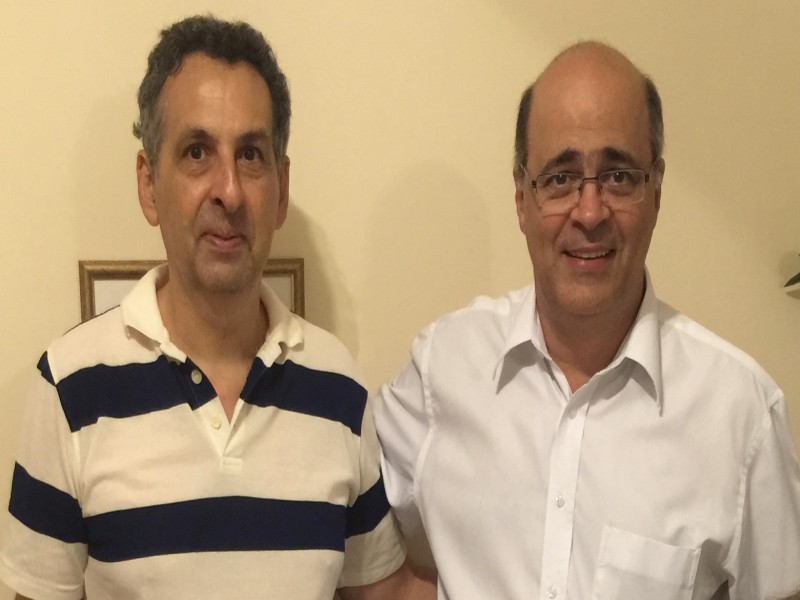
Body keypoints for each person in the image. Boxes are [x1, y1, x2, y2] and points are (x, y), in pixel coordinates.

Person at [0, 15, 434, 600]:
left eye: (251, 155)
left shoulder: (339, 389)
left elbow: (385, 592)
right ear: (149, 184)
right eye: (197, 152)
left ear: (280, 188)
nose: (228, 191)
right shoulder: (69, 388)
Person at [374, 41, 800, 600]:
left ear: (656, 190)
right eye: (560, 178)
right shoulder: (442, 370)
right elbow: (337, 486)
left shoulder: (739, 413)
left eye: (619, 176)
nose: (591, 211)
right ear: (522, 197)